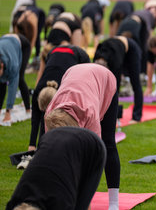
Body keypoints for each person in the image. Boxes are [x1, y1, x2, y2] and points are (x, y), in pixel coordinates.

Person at [44, 63, 120, 210]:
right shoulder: (49, 115)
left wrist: (85, 201)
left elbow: (94, 160)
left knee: (108, 143)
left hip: (103, 79)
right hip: (73, 73)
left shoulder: (90, 114)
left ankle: (114, 203)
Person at [7, 127, 106, 210]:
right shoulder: (14, 203)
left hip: (92, 146)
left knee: (81, 204)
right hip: (52, 136)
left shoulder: (61, 203)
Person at [29, 44, 90, 150]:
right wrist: (32, 145)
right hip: (53, 52)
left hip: (79, 56)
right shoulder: (38, 91)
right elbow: (35, 118)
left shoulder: (65, 90)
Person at [94, 36, 143, 123]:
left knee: (135, 83)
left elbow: (115, 87)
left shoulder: (115, 61)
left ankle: (136, 117)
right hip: (116, 46)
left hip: (130, 49)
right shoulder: (96, 57)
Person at [0, 34, 31, 125]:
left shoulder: (12, 65)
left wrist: (8, 112)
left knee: (20, 79)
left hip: (23, 45)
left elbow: (12, 87)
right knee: (1, 83)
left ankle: (28, 109)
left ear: (2, 66)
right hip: (6, 41)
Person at [116, 10, 154, 74]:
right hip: (130, 19)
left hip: (139, 20)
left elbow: (139, 51)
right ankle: (128, 71)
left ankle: (142, 71)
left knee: (142, 49)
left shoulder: (135, 36)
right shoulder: (119, 37)